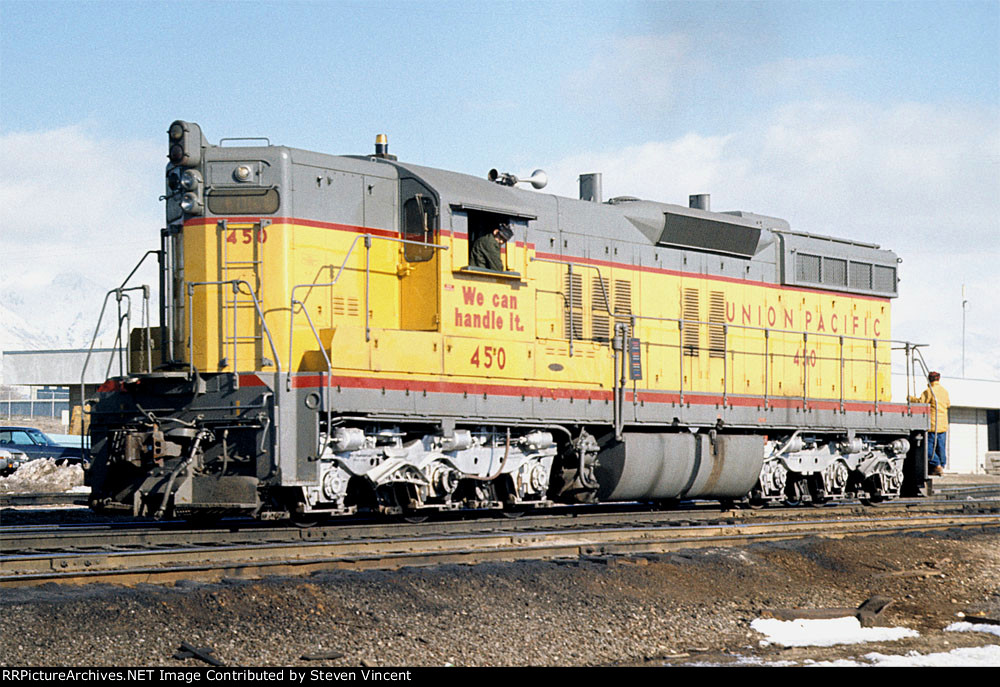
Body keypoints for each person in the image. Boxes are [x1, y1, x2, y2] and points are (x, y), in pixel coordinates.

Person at [908, 371, 951, 476]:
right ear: (938, 379)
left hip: (932, 425)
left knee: (928, 449)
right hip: (943, 425)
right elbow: (948, 404)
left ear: (929, 379)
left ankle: (937, 465)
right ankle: (941, 465)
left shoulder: (929, 391)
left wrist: (910, 399)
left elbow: (920, 402)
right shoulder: (944, 391)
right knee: (941, 447)